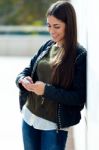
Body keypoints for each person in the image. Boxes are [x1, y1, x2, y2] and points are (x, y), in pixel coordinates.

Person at [16, 1, 87, 150]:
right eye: (49, 25)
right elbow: (26, 70)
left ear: (69, 25)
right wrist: (23, 79)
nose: (51, 31)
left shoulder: (79, 55)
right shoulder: (48, 45)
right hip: (29, 118)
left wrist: (46, 90)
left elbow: (79, 97)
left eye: (57, 26)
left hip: (53, 127)